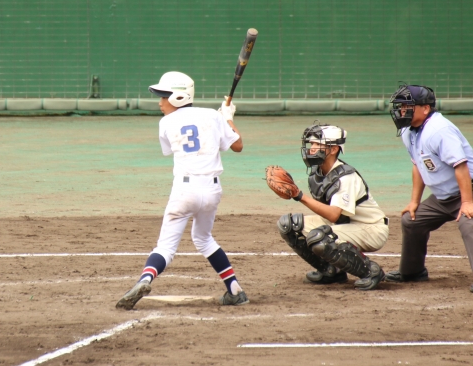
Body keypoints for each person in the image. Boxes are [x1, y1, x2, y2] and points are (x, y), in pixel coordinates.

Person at [116, 72, 248, 310]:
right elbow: (237, 145)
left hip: (184, 191)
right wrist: (227, 117)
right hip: (212, 191)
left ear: (177, 97)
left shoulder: (166, 123)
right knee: (203, 239)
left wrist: (220, 118)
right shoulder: (212, 115)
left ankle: (145, 280)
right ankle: (234, 289)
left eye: (163, 96)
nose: (160, 102)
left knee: (166, 247)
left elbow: (174, 145)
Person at [271, 122, 388, 291]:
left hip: (370, 228)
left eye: (317, 144)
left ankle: (371, 271)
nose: (312, 148)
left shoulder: (345, 177)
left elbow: (333, 215)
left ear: (333, 149)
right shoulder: (318, 172)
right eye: (311, 144)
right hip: (345, 224)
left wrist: (299, 196)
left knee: (320, 237)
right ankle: (331, 271)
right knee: (289, 225)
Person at [386, 84, 473, 293]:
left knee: (469, 224)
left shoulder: (439, 130)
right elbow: (418, 165)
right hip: (442, 197)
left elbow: (461, 167)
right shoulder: (408, 131)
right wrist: (414, 201)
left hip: (468, 190)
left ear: (425, 108)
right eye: (400, 107)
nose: (402, 111)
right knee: (411, 220)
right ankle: (413, 271)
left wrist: (467, 202)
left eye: (407, 106)